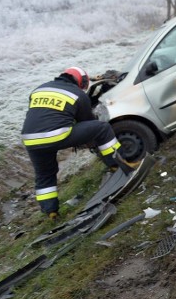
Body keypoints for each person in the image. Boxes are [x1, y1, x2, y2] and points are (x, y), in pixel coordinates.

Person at [21, 67, 137, 219]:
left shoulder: (39, 89)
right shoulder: (77, 94)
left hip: (30, 139)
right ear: (81, 82)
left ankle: (51, 212)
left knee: (44, 173)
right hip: (57, 134)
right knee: (102, 128)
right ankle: (118, 164)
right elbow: (87, 121)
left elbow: (42, 114)